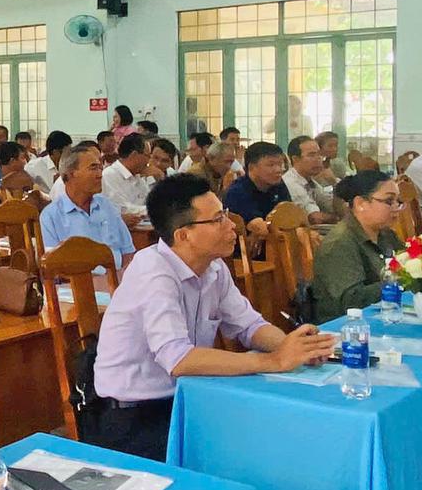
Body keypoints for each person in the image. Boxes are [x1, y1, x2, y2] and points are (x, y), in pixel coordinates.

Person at [91, 175, 335, 460]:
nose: (232, 226)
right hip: (137, 418)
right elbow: (178, 359)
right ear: (183, 235)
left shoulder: (213, 268)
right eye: (218, 219)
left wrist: (293, 347)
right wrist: (274, 361)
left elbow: (250, 326)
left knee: (279, 434)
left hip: (191, 398)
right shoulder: (153, 272)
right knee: (247, 455)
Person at [307, 171, 404, 323]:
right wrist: (399, 281)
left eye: (398, 201)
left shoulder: (386, 234)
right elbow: (351, 300)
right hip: (345, 325)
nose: (396, 207)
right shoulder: (340, 243)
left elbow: (408, 262)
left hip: (383, 314)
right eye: (389, 201)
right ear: (360, 204)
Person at [39, 144, 137, 267]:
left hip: (118, 276)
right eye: (93, 168)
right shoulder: (51, 216)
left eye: (100, 168)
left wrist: (123, 276)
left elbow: (128, 252)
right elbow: (53, 267)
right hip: (78, 278)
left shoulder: (107, 206)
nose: (100, 174)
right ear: (71, 174)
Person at [225, 142, 292, 245]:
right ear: (252, 167)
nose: (279, 170)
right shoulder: (237, 191)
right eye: (271, 165)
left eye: (280, 164)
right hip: (246, 251)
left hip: (274, 245)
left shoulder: (278, 184)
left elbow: (290, 214)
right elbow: (260, 228)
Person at [282, 135, 337, 225]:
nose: (318, 159)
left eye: (319, 154)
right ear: (295, 159)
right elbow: (315, 218)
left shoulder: (310, 181)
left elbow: (330, 205)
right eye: (311, 155)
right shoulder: (291, 183)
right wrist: (337, 217)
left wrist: (334, 183)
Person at [101, 132, 153, 220]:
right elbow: (122, 209)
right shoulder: (109, 175)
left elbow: (149, 201)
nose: (149, 161)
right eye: (147, 156)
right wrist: (155, 210)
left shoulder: (137, 176)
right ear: (134, 155)